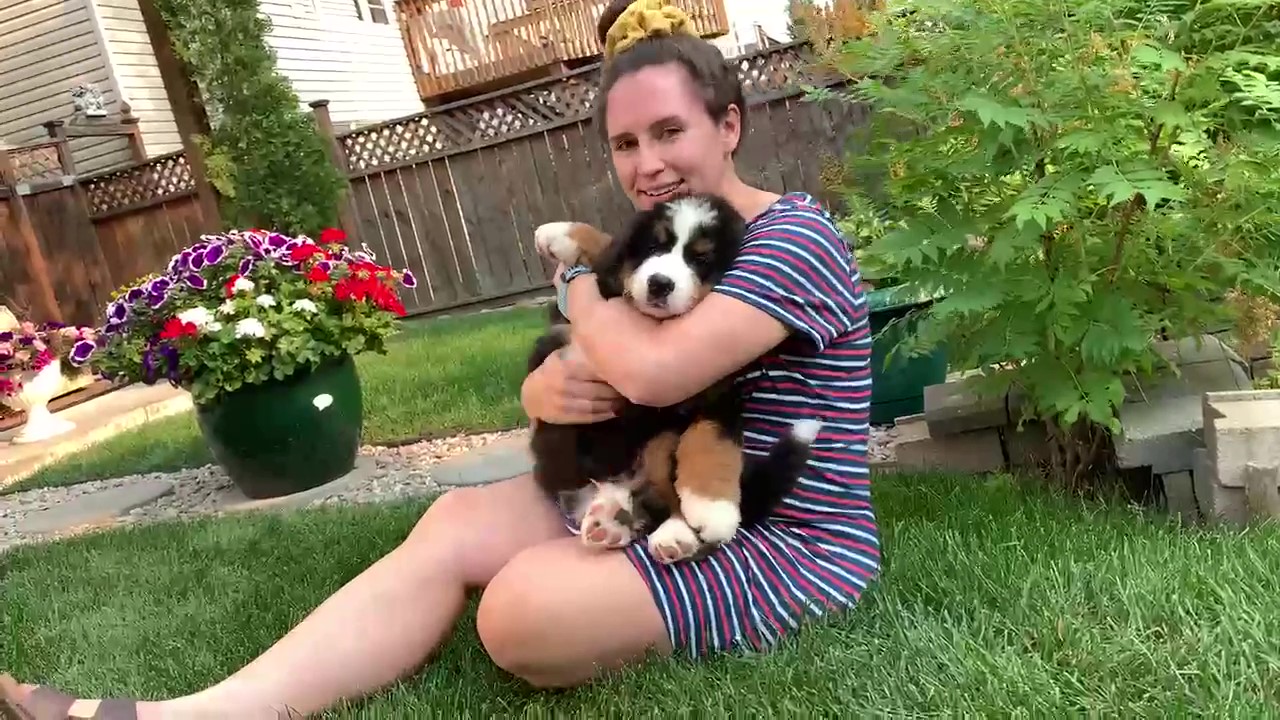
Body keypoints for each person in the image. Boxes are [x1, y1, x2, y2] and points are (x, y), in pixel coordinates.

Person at [0, 1, 880, 718]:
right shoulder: (664, 245)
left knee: (519, 616)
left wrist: (574, 272)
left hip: (787, 538)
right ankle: (205, 714)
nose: (647, 165)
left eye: (668, 132)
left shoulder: (789, 236)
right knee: (455, 521)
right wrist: (545, 385)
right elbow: (594, 378)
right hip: (658, 497)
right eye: (623, 144)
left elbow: (653, 373)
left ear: (729, 125)